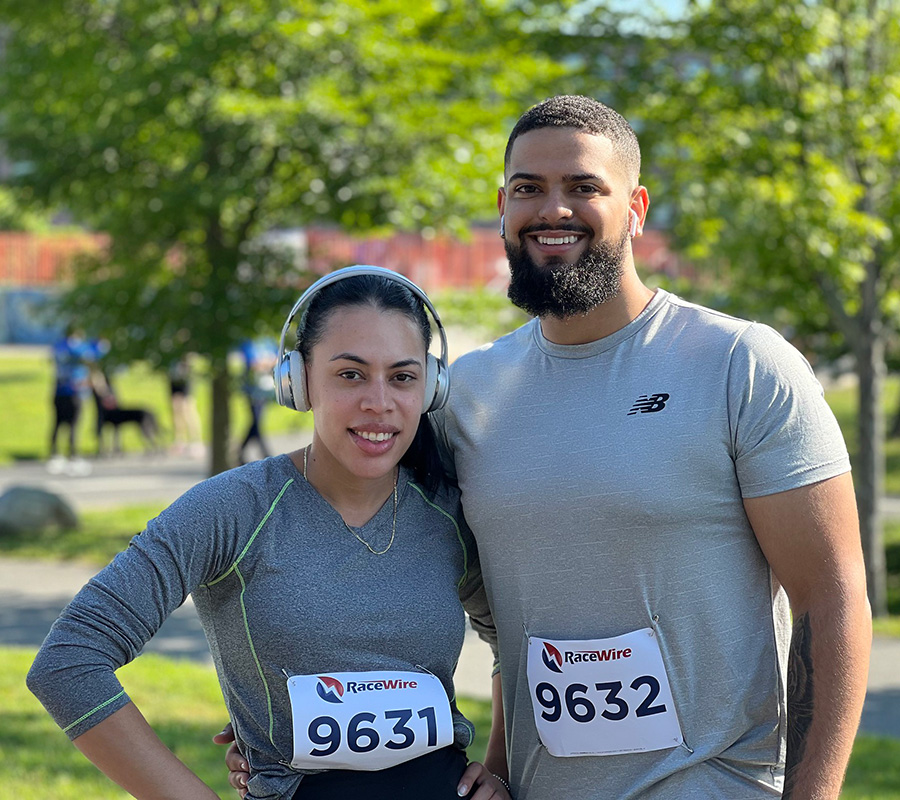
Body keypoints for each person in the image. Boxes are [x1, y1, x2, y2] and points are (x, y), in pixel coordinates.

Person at [220, 96, 872, 799]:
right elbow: (425, 579)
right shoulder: (465, 395)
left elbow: (830, 599)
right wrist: (278, 716)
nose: (552, 210)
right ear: (503, 207)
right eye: (529, 189)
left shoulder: (740, 365)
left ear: (637, 208)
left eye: (584, 187)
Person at [27, 267, 510, 800]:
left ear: (431, 385)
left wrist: (499, 767)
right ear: (298, 382)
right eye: (350, 374)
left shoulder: (450, 512)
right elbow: (68, 661)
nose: (379, 401)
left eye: (402, 376)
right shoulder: (232, 509)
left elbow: (513, 641)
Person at [237, 338, 278, 465]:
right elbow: (253, 363)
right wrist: (267, 362)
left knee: (256, 421)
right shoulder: (248, 342)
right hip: (252, 388)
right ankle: (266, 454)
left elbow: (277, 359)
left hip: (264, 387)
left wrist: (265, 363)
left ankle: (240, 452)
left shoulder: (268, 342)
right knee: (256, 420)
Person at [168, 355, 203, 457]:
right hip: (174, 378)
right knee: (176, 411)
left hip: (184, 378)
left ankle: (196, 441)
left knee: (188, 411)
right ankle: (180, 441)